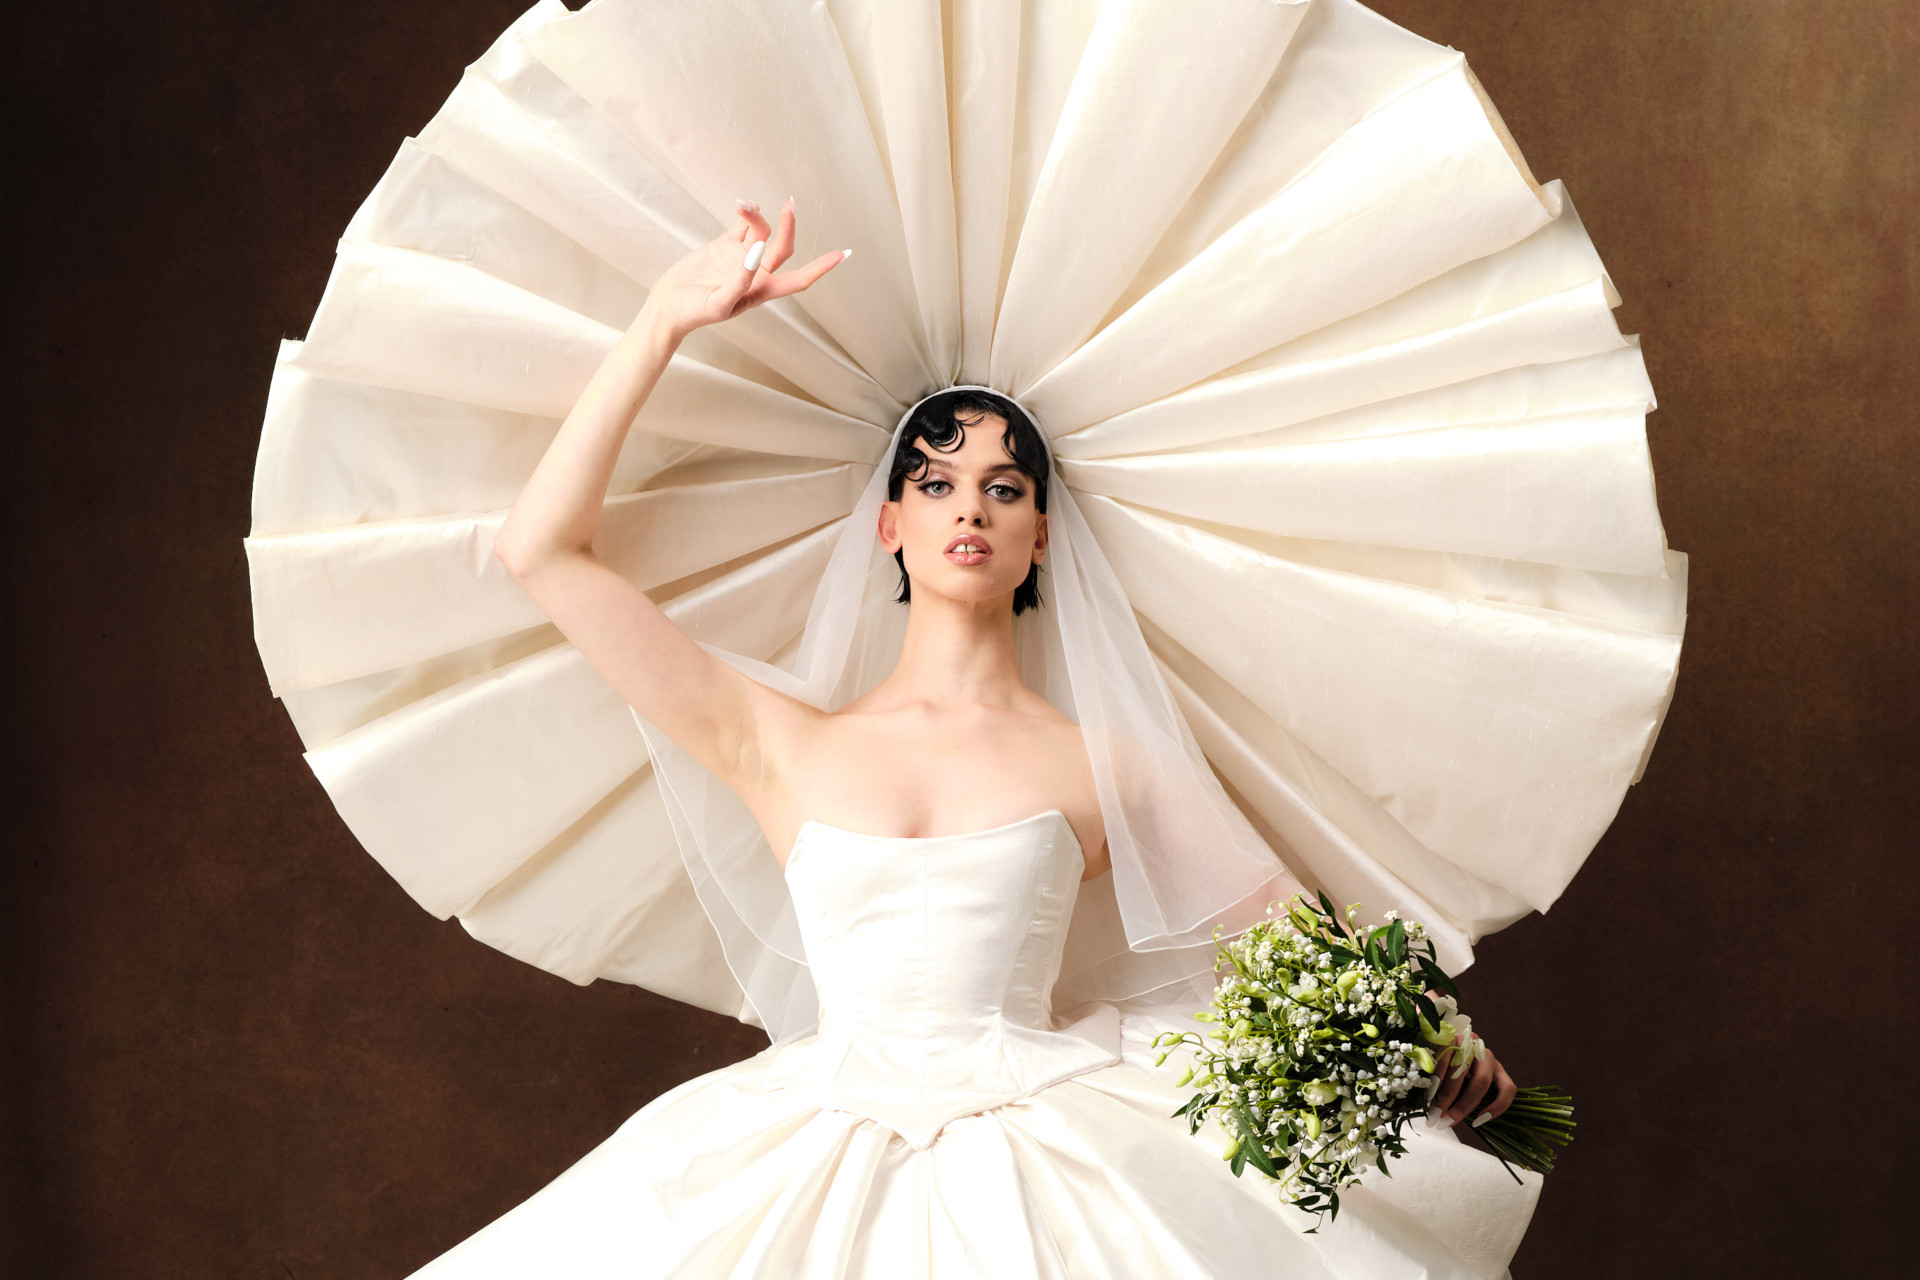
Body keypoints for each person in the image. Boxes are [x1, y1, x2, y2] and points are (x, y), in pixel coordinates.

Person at [407, 201, 1530, 1278]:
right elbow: (540, 550)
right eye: (936, 482)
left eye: (1004, 486)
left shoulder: (1102, 762)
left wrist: (1428, 1040)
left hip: (1047, 1163)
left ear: (1039, 535)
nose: (970, 508)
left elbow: (1286, 930)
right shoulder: (775, 740)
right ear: (891, 524)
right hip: (812, 1147)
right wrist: (661, 320)